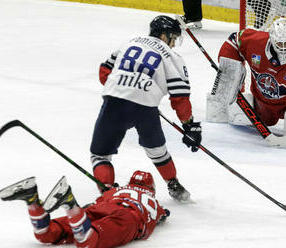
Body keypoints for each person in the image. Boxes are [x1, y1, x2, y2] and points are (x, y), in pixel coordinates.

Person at [90, 15, 202, 201]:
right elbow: (180, 97)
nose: (173, 44)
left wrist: (127, 89)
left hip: (114, 101)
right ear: (164, 36)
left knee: (100, 155)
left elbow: (104, 72)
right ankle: (174, 185)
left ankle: (107, 193)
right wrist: (189, 125)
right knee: (158, 151)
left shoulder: (129, 42)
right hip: (145, 108)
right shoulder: (172, 56)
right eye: (173, 39)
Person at [207, 18, 286, 147]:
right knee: (266, 120)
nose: (283, 48)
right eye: (279, 43)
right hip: (264, 101)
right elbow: (234, 40)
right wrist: (230, 70)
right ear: (271, 38)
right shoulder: (256, 42)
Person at [0, 170, 170, 248]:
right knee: (88, 241)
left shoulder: (115, 191)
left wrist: (109, 192)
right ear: (151, 188)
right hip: (128, 217)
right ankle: (70, 203)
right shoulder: (154, 201)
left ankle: (32, 200)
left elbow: (97, 202)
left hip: (102, 207)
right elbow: (163, 215)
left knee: (46, 234)